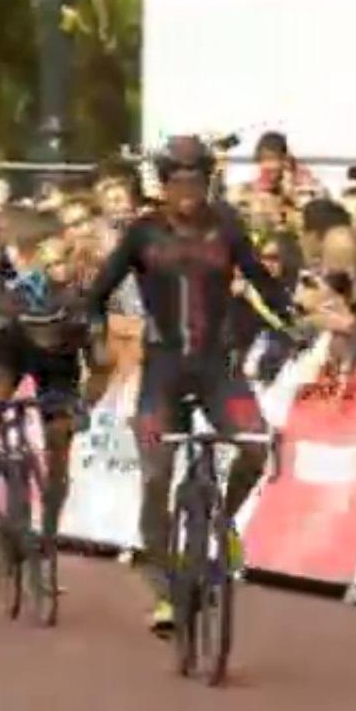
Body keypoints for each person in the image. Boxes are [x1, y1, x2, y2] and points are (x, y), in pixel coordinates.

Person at [81, 136, 295, 633]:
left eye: (196, 180)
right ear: (163, 183)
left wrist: (290, 316)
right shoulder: (143, 232)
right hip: (163, 368)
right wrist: (95, 335)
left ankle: (222, 521)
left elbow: (261, 280)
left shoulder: (227, 226)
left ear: (208, 181)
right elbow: (97, 294)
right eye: (177, 181)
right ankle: (163, 588)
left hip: (218, 366)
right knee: (157, 474)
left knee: (256, 447)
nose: (187, 191)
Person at [0, 208, 89, 557]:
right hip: (9, 351)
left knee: (59, 439)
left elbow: (102, 364)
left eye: (63, 260)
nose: (60, 268)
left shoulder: (75, 303)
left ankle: (49, 530)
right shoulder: (8, 305)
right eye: (52, 260)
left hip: (57, 364)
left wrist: (83, 405)